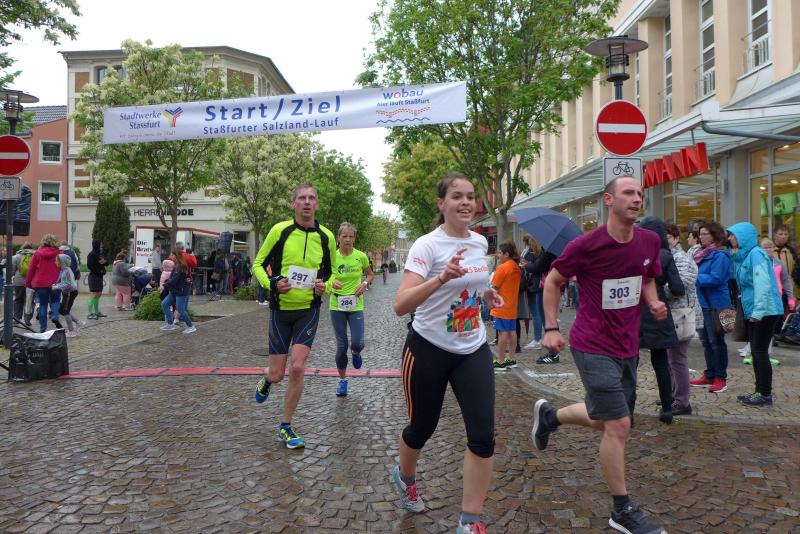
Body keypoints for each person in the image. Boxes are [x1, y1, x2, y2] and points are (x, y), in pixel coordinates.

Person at [531, 176, 667, 534]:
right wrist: (551, 327)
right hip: (592, 344)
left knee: (608, 419)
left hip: (628, 345)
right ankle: (622, 510)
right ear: (609, 200)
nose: (637, 199)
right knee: (619, 424)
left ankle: (551, 417)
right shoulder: (586, 245)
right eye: (628, 193)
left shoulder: (649, 241)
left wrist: (653, 301)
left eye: (640, 194)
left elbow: (647, 277)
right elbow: (553, 281)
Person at [392, 172, 503, 534]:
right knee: (421, 428)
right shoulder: (426, 246)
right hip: (428, 349)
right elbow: (401, 304)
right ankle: (405, 476)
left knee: (483, 436)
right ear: (442, 204)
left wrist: (486, 294)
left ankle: (470, 520)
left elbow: (474, 282)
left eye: (470, 196)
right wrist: (440, 278)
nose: (466, 202)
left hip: (472, 348)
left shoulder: (479, 242)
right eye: (457, 196)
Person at [252, 182, 336, 449]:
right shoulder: (280, 231)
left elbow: (332, 272)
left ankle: (285, 427)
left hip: (308, 310)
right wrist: (272, 284)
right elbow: (257, 264)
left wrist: (325, 286)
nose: (307, 202)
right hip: (281, 311)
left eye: (312, 198)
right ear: (293, 204)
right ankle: (267, 378)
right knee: (278, 374)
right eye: (302, 198)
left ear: (317, 204)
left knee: (298, 367)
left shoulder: (326, 236)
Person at [728, 224, 783, 406]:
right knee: (756, 352)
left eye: (733, 235)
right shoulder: (745, 256)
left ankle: (764, 394)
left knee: (760, 352)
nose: (730, 238)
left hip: (765, 311)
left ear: (742, 236)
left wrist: (758, 311)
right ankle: (759, 391)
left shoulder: (756, 254)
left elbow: (762, 284)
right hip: (756, 310)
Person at [636, 217, 684, 425]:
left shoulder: (634, 253)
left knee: (630, 362)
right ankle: (667, 408)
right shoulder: (665, 255)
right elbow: (678, 288)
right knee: (661, 362)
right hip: (658, 311)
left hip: (635, 311)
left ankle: (627, 410)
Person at [327, 222, 374, 397]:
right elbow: (323, 277)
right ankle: (342, 381)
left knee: (357, 343)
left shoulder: (360, 256)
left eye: (351, 236)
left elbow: (370, 274)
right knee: (341, 346)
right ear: (338, 238)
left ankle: (356, 352)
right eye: (344, 236)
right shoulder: (331, 257)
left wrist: (364, 284)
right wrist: (331, 282)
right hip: (336, 305)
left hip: (356, 305)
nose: (347, 239)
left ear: (354, 238)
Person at [690, 222, 733, 393]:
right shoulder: (702, 254)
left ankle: (720, 378)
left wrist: (694, 277)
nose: (701, 237)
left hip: (716, 304)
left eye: (705, 234)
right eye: (700, 234)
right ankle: (710, 374)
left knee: (717, 342)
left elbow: (716, 278)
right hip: (702, 304)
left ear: (715, 235)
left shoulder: (720, 255)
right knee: (706, 342)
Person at [664, 224, 699, 416]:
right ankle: (672, 395)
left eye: (668, 237)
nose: (665, 240)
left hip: (681, 314)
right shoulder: (669, 256)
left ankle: (682, 401)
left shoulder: (681, 258)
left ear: (677, 238)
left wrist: (659, 290)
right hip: (673, 314)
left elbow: (681, 285)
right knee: (671, 359)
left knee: (677, 359)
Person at [523, 250, 561, 364]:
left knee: (547, 318)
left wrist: (527, 265)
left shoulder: (548, 252)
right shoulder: (550, 251)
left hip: (545, 286)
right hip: (546, 286)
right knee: (547, 317)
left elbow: (538, 266)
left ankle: (554, 353)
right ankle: (553, 351)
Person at [490, 241, 521, 371]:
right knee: (512, 332)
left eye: (500, 253)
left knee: (502, 333)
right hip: (512, 305)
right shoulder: (516, 267)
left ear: (506, 254)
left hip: (501, 305)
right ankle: (511, 359)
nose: (498, 255)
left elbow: (494, 287)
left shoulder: (502, 268)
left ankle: (501, 361)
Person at [24, 234, 64, 333]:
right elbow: (65, 268)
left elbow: (31, 269)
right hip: (56, 282)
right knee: (55, 301)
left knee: (43, 305)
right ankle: (55, 316)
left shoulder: (37, 253)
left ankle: (43, 328)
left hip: (40, 283)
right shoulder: (60, 253)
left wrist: (28, 283)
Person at [160, 251, 196, 334]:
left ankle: (191, 326)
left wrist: (164, 285)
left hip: (181, 291)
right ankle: (170, 324)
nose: (170, 256)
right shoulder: (177, 266)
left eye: (172, 255)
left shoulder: (180, 267)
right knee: (164, 304)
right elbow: (172, 279)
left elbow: (174, 280)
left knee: (180, 309)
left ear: (176, 256)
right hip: (174, 290)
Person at [520, 235, 543, 349]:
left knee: (535, 313)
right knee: (538, 312)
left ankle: (537, 339)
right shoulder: (539, 253)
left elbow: (532, 268)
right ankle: (539, 338)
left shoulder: (530, 254)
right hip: (536, 284)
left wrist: (525, 266)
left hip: (532, 285)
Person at [53, 253, 79, 337]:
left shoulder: (66, 271)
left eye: (57, 261)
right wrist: (55, 285)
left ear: (62, 262)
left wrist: (55, 287)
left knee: (65, 311)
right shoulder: (64, 270)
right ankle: (78, 322)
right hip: (67, 292)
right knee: (61, 310)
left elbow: (67, 284)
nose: (55, 262)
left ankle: (71, 331)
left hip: (69, 292)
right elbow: (63, 282)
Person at [12, 242, 36, 325]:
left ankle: (17, 319)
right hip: (32, 281)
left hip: (18, 282)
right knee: (29, 300)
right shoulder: (35, 256)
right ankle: (27, 320)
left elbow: (12, 270)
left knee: (18, 299)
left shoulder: (16, 257)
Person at [86, 240, 108, 320]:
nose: (101, 246)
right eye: (100, 244)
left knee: (98, 294)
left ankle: (97, 312)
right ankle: (89, 313)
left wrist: (105, 262)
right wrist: (99, 271)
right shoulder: (91, 254)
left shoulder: (100, 254)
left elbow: (106, 263)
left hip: (99, 277)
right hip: (94, 277)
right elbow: (89, 266)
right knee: (94, 294)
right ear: (97, 245)